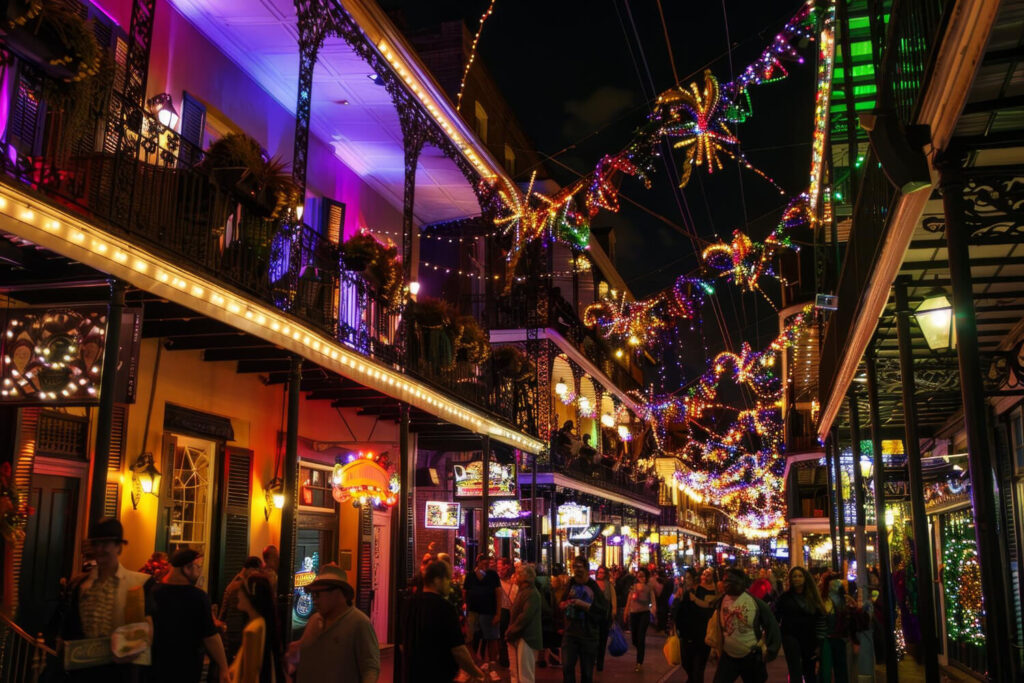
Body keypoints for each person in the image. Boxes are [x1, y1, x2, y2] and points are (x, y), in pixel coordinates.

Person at [58, 518, 154, 683]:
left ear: (118, 547)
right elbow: (69, 627)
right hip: (84, 671)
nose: (100, 549)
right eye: (96, 544)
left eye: (105, 544)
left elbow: (147, 626)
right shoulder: (80, 585)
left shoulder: (140, 583)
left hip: (121, 671)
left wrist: (132, 650)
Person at [149, 549, 230, 683]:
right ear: (187, 568)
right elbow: (210, 636)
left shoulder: (153, 593)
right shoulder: (198, 598)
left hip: (156, 669)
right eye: (198, 567)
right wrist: (223, 667)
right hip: (187, 670)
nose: (200, 572)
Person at [292, 564, 379, 683]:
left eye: (317, 594)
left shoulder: (359, 622)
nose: (314, 599)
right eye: (312, 594)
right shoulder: (314, 620)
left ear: (337, 592)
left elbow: (370, 668)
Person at [404, 560, 486, 683]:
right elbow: (458, 650)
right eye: (447, 579)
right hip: (438, 674)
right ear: (437, 580)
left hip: (413, 674)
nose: (450, 583)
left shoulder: (410, 603)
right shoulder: (444, 607)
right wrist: (477, 673)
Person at [705, 568, 780, 683]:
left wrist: (771, 650)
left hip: (751, 655)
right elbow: (718, 626)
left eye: (732, 581)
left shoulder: (754, 602)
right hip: (728, 655)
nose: (728, 584)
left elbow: (771, 624)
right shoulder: (721, 601)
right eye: (726, 581)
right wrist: (715, 648)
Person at [560, 556, 607, 683]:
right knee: (567, 668)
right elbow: (562, 601)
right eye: (574, 567)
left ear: (586, 569)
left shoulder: (593, 587)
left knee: (586, 673)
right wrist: (564, 604)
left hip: (588, 635)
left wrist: (583, 605)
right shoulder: (571, 583)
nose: (577, 570)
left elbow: (602, 611)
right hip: (570, 633)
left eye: (579, 567)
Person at [775, 566, 826, 683]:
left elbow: (820, 619)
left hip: (809, 639)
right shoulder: (785, 598)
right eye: (794, 576)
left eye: (800, 576)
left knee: (810, 671)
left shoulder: (813, 597)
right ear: (790, 579)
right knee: (795, 670)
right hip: (790, 637)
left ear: (805, 578)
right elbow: (776, 617)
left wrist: (819, 642)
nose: (797, 579)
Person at [229, 574, 283, 683]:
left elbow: (250, 676)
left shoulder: (252, 630)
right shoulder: (262, 623)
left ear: (251, 597)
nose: (238, 595)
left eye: (241, 591)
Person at [220, 556, 265, 661]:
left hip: (229, 633)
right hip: (237, 634)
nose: (258, 574)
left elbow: (223, 612)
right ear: (250, 569)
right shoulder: (242, 586)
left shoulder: (233, 584)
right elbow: (236, 615)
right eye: (258, 570)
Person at [673, 568, 712, 683]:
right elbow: (677, 612)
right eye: (686, 578)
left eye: (689, 578)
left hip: (701, 636)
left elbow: (707, 609)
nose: (687, 581)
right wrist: (677, 600)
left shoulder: (703, 592)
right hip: (687, 636)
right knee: (687, 664)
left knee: (698, 669)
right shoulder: (684, 593)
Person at [505, 564, 542, 683]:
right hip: (520, 635)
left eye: (518, 574)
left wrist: (511, 630)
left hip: (527, 637)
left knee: (525, 673)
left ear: (525, 577)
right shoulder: (523, 591)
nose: (515, 577)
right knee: (516, 671)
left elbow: (525, 616)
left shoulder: (531, 593)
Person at [464, 554, 501, 671]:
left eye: (487, 564)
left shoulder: (492, 575)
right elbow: (464, 592)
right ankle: (474, 662)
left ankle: (492, 664)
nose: (485, 566)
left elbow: (498, 594)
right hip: (473, 611)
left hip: (489, 611)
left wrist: (498, 613)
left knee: (491, 638)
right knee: (470, 638)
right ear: (478, 563)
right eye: (483, 563)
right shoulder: (470, 576)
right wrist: (465, 609)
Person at [624, 567, 658, 672]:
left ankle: (639, 662)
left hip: (644, 613)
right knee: (634, 638)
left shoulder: (649, 587)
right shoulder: (633, 587)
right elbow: (629, 599)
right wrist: (626, 612)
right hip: (634, 613)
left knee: (641, 636)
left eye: (642, 575)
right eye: (639, 575)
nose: (640, 577)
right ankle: (640, 649)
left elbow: (653, 601)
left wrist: (654, 611)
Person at [593, 565, 616, 672]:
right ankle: (593, 659)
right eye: (599, 572)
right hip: (594, 616)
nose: (600, 574)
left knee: (603, 640)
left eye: (602, 573)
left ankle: (600, 663)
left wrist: (613, 612)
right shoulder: (593, 585)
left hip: (605, 616)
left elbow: (613, 599)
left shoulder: (609, 585)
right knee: (594, 639)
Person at [496, 556, 518, 668]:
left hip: (511, 610)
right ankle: (504, 658)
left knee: (509, 634)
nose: (499, 569)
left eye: (501, 566)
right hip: (503, 610)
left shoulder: (515, 580)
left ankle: (509, 657)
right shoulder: (498, 580)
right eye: (498, 566)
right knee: (503, 634)